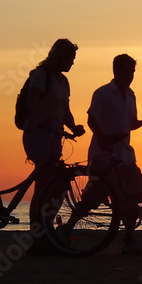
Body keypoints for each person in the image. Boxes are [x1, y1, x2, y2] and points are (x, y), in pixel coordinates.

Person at [84, 53, 142, 255]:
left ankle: (130, 239)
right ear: (116, 70)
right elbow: (92, 120)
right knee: (98, 196)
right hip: (104, 153)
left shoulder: (131, 95)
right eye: (127, 71)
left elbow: (130, 123)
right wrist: (103, 137)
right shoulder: (103, 93)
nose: (130, 76)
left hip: (124, 154)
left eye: (133, 72)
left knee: (132, 193)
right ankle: (68, 228)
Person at [21, 38, 85, 250]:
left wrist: (74, 127)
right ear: (61, 57)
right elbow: (33, 101)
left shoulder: (63, 82)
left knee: (57, 185)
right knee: (44, 184)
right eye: (71, 58)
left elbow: (64, 109)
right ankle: (37, 236)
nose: (73, 63)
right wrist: (42, 120)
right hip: (38, 135)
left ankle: (44, 229)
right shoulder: (41, 75)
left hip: (54, 136)